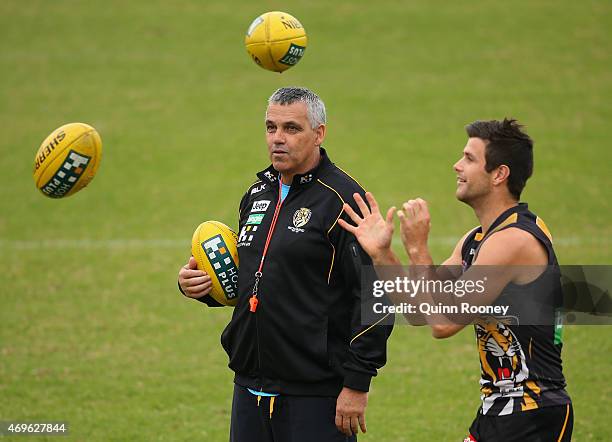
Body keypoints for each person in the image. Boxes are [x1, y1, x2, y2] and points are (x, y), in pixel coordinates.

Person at [178, 87, 393, 442]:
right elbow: (255, 278)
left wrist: (357, 383)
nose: (278, 139)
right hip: (249, 386)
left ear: (319, 133)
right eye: (270, 127)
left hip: (315, 395)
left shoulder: (342, 201)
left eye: (291, 128)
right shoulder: (257, 194)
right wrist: (201, 288)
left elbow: (377, 296)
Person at [338, 119, 572, 441]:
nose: (457, 166)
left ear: (499, 175)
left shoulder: (513, 241)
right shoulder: (476, 240)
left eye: (469, 159)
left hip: (532, 414)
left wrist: (419, 249)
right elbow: (420, 311)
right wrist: (382, 255)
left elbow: (444, 324)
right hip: (499, 410)